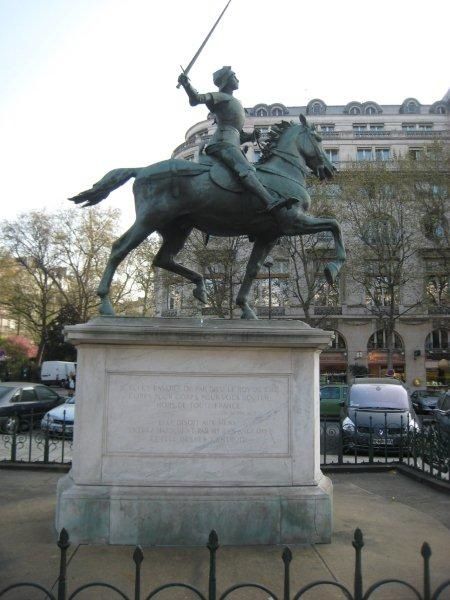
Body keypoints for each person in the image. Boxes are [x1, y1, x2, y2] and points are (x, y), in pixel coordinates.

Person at [177, 66, 297, 213]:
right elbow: (196, 99)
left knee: (250, 170)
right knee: (245, 169)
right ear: (226, 80)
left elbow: (238, 135)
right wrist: (186, 84)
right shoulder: (220, 97)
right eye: (234, 76)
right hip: (222, 143)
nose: (237, 79)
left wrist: (251, 137)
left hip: (230, 143)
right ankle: (270, 201)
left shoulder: (235, 102)